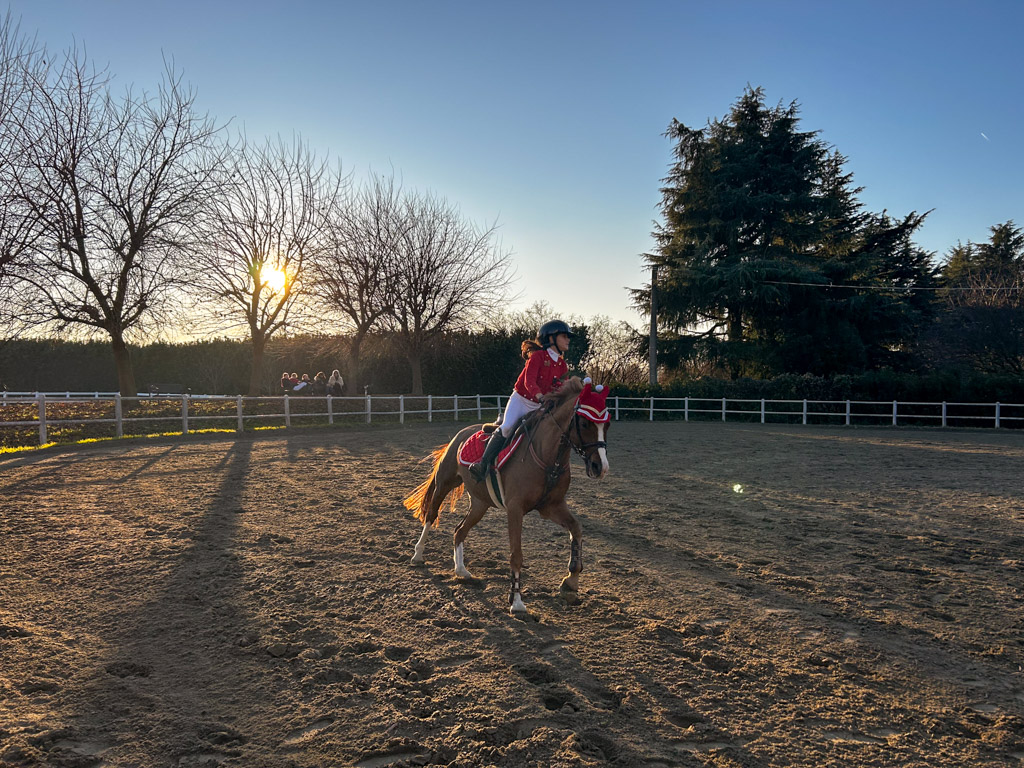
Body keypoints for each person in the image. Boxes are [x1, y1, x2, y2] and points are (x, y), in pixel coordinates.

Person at [469, 319, 574, 482]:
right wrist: (540, 397)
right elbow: (529, 381)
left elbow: (560, 387)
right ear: (551, 338)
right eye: (564, 336)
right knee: (507, 427)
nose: (568, 339)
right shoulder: (537, 356)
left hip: (540, 406)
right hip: (521, 400)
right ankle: (482, 464)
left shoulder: (562, 365)